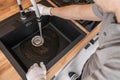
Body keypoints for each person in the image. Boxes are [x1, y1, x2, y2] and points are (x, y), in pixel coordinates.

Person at [26, 0, 120, 80]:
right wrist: (48, 10)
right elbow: (79, 12)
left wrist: (38, 78)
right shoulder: (111, 6)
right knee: (85, 71)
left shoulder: (115, 69)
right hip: (94, 64)